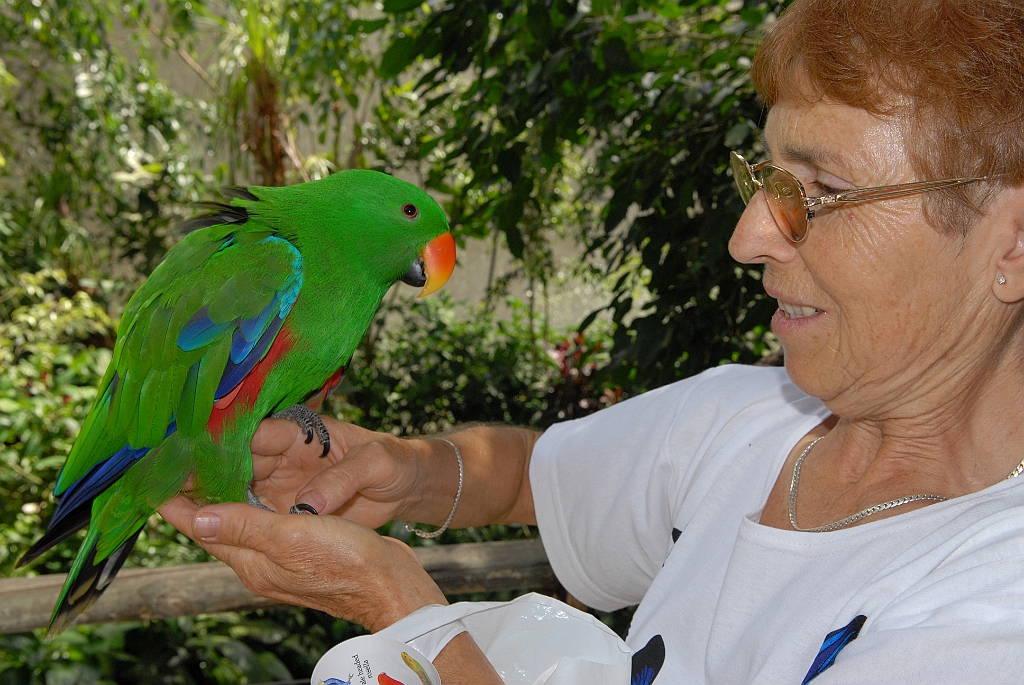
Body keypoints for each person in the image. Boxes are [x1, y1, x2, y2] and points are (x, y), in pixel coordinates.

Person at [160, 0, 1024, 682]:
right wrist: (398, 469)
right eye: (764, 178)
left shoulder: (993, 615)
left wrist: (406, 618)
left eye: (820, 188)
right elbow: (529, 474)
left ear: (1012, 244)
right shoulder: (749, 422)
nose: (748, 235)